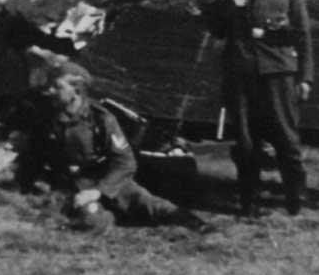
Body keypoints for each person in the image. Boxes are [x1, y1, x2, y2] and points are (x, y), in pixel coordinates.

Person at [22, 62, 213, 234]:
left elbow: (125, 161)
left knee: (151, 205)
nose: (50, 91)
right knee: (91, 220)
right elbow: (34, 155)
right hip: (73, 184)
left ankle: (197, 226)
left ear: (77, 90)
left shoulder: (101, 119)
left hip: (109, 180)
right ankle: (106, 216)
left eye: (57, 86)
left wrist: (99, 191)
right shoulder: (46, 118)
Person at [207, 0, 313, 216]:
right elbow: (217, 29)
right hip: (241, 72)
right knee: (245, 141)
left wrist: (305, 76)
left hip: (278, 70)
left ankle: (295, 197)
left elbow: (302, 31)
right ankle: (249, 200)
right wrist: (229, 6)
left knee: (286, 137)